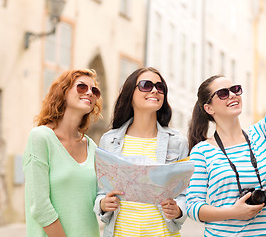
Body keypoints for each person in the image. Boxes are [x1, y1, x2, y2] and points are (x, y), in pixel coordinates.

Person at [186, 22, 266, 236]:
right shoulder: (202, 152)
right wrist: (232, 212)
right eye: (223, 93)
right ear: (209, 107)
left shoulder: (260, 136)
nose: (232, 95)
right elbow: (193, 207)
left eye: (235, 89)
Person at [94, 67, 189, 237]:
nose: (155, 90)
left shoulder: (177, 142)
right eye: (146, 85)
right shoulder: (109, 141)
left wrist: (178, 210)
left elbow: (184, 194)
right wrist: (103, 203)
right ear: (130, 94)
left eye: (160, 87)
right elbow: (101, 191)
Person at [23, 69, 102, 237]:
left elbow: (98, 200)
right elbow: (40, 207)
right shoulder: (41, 138)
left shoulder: (92, 147)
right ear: (63, 92)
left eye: (94, 90)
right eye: (81, 87)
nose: (89, 92)